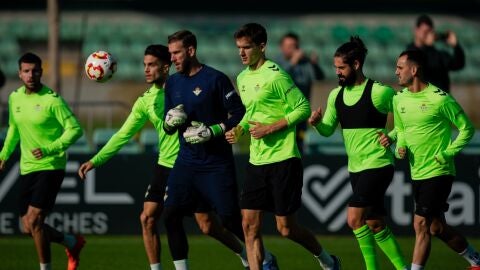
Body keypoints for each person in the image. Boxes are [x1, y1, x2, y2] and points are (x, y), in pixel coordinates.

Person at [78, 44, 259, 270]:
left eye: (152, 65)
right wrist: (95, 160)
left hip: (194, 162)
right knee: (148, 217)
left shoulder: (184, 87)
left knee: (207, 225)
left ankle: (247, 254)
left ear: (166, 67)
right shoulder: (145, 101)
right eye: (144, 65)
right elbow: (123, 135)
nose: (146, 70)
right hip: (166, 164)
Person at [226, 22, 340, 270]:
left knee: (286, 229)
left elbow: (302, 109)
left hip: (284, 159)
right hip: (257, 160)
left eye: (246, 47)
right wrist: (241, 128)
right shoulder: (242, 77)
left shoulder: (277, 75)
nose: (241, 53)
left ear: (262, 46)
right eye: (239, 48)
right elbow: (251, 112)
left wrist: (269, 128)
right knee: (249, 225)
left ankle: (327, 260)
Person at [162, 30, 278, 270]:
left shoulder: (215, 79)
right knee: (170, 214)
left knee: (229, 219)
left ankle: (264, 258)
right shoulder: (172, 82)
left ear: (191, 51)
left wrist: (213, 130)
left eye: (176, 53)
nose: (172, 58)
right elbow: (169, 124)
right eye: (170, 53)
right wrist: (168, 122)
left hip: (216, 163)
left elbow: (238, 113)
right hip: (186, 162)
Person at [308, 36, 408, 270]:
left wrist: (394, 137)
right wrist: (316, 123)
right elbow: (327, 130)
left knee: (354, 219)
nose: (338, 73)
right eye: (335, 68)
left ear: (356, 65)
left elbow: (405, 118)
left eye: (341, 68)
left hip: (378, 164)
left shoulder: (380, 92)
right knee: (374, 223)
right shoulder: (336, 95)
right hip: (356, 168)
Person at [393, 49, 480, 270]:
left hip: (439, 171)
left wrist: (447, 154)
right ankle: (476, 260)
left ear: (414, 70)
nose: (396, 72)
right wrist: (399, 147)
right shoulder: (399, 99)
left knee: (420, 223)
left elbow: (467, 129)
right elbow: (401, 130)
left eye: (400, 67)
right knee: (436, 228)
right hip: (417, 172)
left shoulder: (439, 99)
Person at [0, 52, 84, 270]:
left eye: (35, 70)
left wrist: (50, 149)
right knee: (27, 226)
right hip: (27, 167)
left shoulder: (52, 100)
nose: (31, 75)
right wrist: (4, 155)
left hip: (51, 166)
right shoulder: (14, 98)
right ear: (19, 74)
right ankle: (71, 242)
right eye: (26, 71)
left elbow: (75, 129)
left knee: (35, 220)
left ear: (41, 72)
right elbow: (13, 129)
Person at [277, 32, 325, 153]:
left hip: (301, 115)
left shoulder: (305, 63)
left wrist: (314, 64)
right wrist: (293, 62)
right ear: (281, 48)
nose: (293, 49)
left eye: (295, 46)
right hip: (283, 115)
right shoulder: (276, 63)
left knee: (299, 145)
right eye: (289, 46)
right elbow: (279, 78)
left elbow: (320, 77)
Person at [406, 14, 465, 93]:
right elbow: (419, 67)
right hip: (423, 100)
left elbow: (458, 64)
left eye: (430, 32)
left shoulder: (438, 54)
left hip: (441, 99)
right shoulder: (410, 52)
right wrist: (426, 47)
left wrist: (456, 46)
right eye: (425, 32)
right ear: (416, 31)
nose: (427, 35)